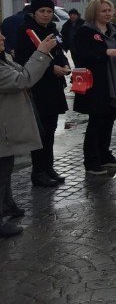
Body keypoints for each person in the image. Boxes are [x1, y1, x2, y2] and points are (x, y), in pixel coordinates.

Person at [0, 30, 57, 237]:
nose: (3, 38)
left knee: (6, 167)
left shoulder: (3, 59)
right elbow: (23, 79)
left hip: (6, 126)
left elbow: (22, 71)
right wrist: (40, 52)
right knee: (2, 169)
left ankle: (7, 205)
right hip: (3, 127)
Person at [14, 0, 71, 187]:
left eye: (49, 11)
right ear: (34, 13)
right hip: (37, 87)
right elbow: (23, 60)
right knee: (40, 131)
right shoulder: (26, 31)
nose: (46, 14)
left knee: (51, 128)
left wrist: (63, 64)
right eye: (42, 11)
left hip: (54, 86)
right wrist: (51, 69)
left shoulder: (52, 29)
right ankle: (38, 171)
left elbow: (59, 51)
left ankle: (48, 167)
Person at [73, 0, 116, 175]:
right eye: (103, 11)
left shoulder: (114, 29)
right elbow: (81, 55)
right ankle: (91, 162)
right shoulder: (85, 31)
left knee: (109, 119)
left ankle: (104, 155)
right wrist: (103, 52)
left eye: (109, 10)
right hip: (97, 83)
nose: (108, 13)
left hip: (115, 81)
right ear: (94, 12)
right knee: (96, 122)